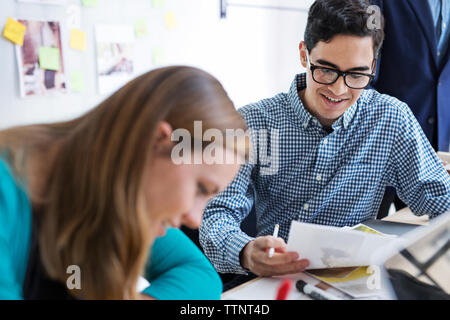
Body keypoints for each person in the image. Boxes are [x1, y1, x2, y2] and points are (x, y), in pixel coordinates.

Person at [200, 0, 450, 280]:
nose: (338, 89)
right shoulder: (254, 123)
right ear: (304, 55)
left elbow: (440, 197)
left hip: (355, 281)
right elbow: (217, 214)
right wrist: (245, 251)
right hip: (274, 281)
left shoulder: (390, 119)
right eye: (326, 70)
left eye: (356, 74)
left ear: (373, 66)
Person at [0, 66, 247, 299]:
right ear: (155, 141)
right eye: (201, 188)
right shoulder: (7, 196)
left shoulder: (112, 197)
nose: (195, 219)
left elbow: (200, 275)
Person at [369, 0, 450, 218]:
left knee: (433, 240)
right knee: (369, 234)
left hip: (437, 143)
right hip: (384, 141)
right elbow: (366, 66)